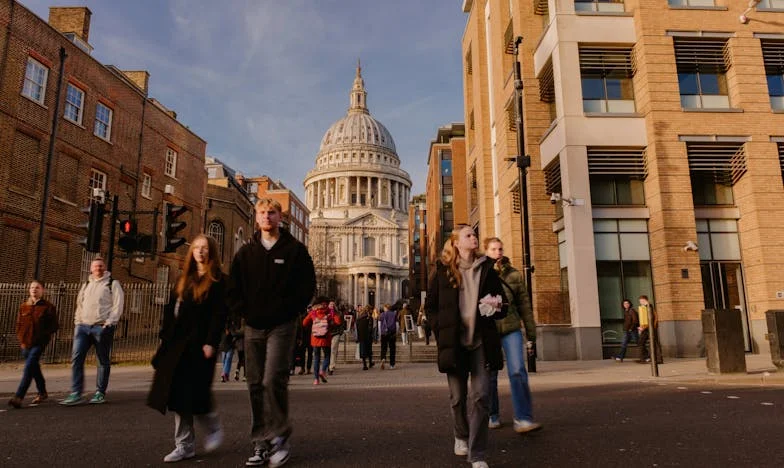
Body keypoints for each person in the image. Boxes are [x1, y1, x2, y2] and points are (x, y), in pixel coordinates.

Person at [228, 198, 316, 468]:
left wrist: (290, 310)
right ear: (257, 217)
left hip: (282, 324)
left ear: (280, 217)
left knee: (273, 378)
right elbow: (234, 287)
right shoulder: (246, 252)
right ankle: (260, 442)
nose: (267, 217)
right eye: (263, 212)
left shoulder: (295, 250)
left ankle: (279, 437)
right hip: (253, 325)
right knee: (254, 382)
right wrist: (244, 312)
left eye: (272, 213)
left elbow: (307, 286)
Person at [425, 225, 506, 468]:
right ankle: (460, 435)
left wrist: (495, 306)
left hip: (481, 341)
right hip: (455, 343)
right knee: (458, 398)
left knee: (481, 396)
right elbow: (430, 308)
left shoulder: (488, 270)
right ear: (457, 243)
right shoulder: (442, 272)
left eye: (474, 234)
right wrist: (441, 327)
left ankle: (477, 453)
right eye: (468, 235)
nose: (474, 237)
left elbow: (504, 305)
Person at [146, 235, 228, 463]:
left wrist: (211, 342)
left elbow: (219, 315)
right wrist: (165, 338)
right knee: (177, 396)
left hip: (201, 345)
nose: (200, 252)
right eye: (197, 248)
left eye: (205, 249)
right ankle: (184, 445)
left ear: (211, 252)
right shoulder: (184, 279)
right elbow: (170, 312)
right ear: (191, 251)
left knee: (197, 393)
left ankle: (211, 426)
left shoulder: (218, 281)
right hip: (178, 344)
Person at [483, 238, 541, 434]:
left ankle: (523, 418)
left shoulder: (514, 275)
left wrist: (531, 331)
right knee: (490, 374)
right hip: (489, 329)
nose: (498, 252)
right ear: (486, 251)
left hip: (511, 328)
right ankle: (493, 414)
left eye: (500, 248)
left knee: (517, 370)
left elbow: (524, 304)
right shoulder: (480, 274)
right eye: (493, 249)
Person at [60, 256, 124, 406]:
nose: (98, 268)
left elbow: (118, 305)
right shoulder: (86, 284)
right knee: (77, 358)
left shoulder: (112, 283)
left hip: (101, 327)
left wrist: (109, 323)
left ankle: (100, 392)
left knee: (102, 360)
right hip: (83, 327)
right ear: (91, 268)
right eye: (95, 266)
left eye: (100, 266)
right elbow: (79, 304)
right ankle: (76, 393)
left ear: (105, 267)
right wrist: (77, 322)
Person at [8, 280, 59, 409]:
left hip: (39, 343)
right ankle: (42, 392)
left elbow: (54, 326)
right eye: (32, 287)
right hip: (25, 343)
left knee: (29, 367)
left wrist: (43, 336)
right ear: (29, 290)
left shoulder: (48, 307)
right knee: (34, 367)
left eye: (37, 288)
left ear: (43, 290)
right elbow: (18, 324)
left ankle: (19, 396)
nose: (34, 290)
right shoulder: (24, 306)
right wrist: (21, 338)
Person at [302, 296, 341, 385]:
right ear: (326, 304)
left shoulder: (313, 312)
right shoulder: (330, 312)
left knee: (316, 358)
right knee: (327, 356)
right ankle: (323, 371)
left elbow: (304, 323)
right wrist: (333, 312)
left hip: (315, 339)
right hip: (325, 338)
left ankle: (316, 379)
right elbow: (338, 322)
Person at [637, 295, 663, 364]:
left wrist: (643, 327)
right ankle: (644, 358)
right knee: (640, 342)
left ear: (644, 300)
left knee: (654, 343)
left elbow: (651, 319)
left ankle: (659, 359)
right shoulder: (644, 308)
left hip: (651, 328)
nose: (640, 302)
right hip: (646, 328)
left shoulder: (649, 307)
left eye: (641, 301)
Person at [327, 301, 345, 375]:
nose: (331, 306)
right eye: (330, 304)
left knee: (333, 349)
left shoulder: (338, 314)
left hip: (336, 333)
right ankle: (329, 364)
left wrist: (340, 332)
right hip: (327, 334)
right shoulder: (325, 313)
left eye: (333, 304)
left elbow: (342, 323)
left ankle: (331, 367)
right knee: (328, 351)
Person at [378, 303, 398, 370]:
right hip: (392, 333)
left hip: (384, 333)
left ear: (385, 308)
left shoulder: (382, 314)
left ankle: (383, 358)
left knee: (383, 348)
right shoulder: (394, 314)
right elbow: (396, 324)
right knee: (392, 349)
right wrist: (396, 332)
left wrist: (380, 333)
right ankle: (392, 364)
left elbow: (379, 324)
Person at [355, 306, 374, 370]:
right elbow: (370, 328)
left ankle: (364, 365)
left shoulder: (358, 319)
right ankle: (370, 362)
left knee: (363, 350)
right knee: (369, 350)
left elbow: (357, 329)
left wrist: (357, 337)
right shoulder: (369, 318)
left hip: (361, 337)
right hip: (367, 337)